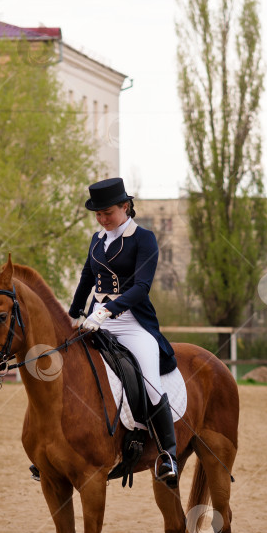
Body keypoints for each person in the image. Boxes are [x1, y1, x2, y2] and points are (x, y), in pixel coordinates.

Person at [68, 177, 178, 488]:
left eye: (108, 213)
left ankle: (166, 454)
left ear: (125, 207)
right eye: (98, 215)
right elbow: (87, 278)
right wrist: (74, 312)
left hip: (131, 322)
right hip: (94, 319)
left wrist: (105, 312)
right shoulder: (96, 239)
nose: (103, 219)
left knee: (150, 381)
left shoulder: (144, 239)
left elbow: (142, 287)